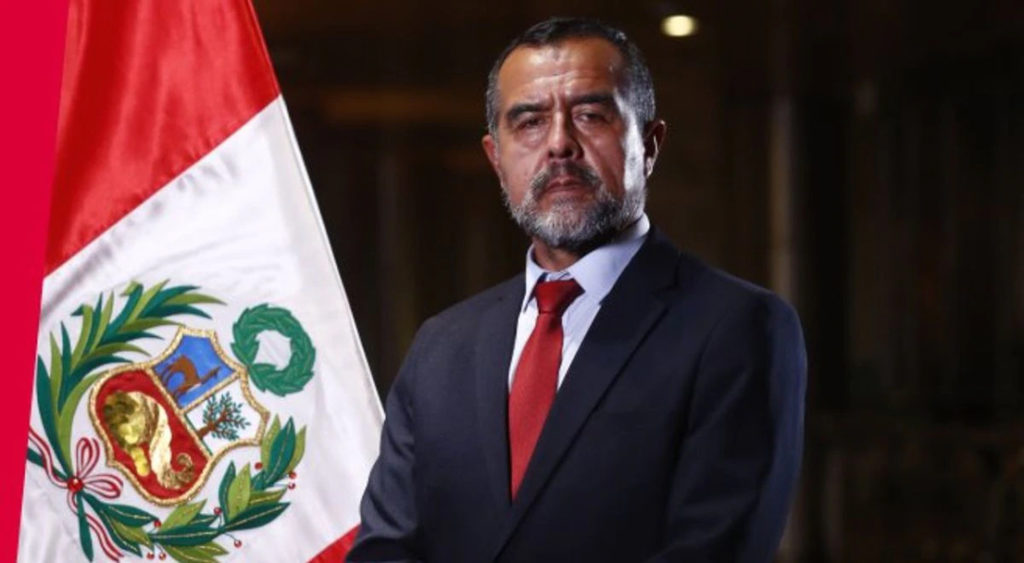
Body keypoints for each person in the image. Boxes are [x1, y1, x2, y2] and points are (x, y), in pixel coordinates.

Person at [348, 17, 806, 563]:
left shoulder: (738, 328)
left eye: (591, 116)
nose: (560, 144)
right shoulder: (440, 346)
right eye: (530, 122)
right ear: (496, 158)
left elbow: (711, 550)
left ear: (650, 145)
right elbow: (386, 548)